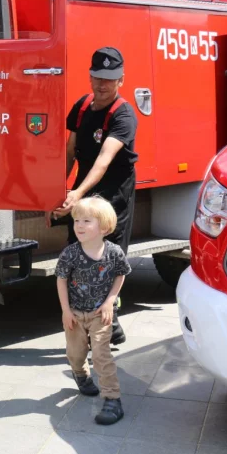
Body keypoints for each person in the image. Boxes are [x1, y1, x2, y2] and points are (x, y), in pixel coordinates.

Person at [52, 46, 137, 346]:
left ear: (121, 81)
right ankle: (109, 328)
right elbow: (70, 150)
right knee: (78, 258)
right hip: (86, 196)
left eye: (109, 79)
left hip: (113, 201)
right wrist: (57, 188)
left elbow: (104, 159)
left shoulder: (124, 115)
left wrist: (77, 192)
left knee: (105, 264)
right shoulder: (82, 106)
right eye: (97, 77)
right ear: (89, 76)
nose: (102, 85)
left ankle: (100, 335)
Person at [55, 196, 130, 425]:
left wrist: (110, 301)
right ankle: (80, 375)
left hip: (100, 315)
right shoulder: (70, 253)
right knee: (76, 354)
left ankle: (112, 399)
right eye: (76, 220)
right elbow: (61, 280)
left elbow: (121, 273)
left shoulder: (114, 252)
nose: (78, 225)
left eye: (86, 221)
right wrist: (66, 311)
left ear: (104, 227)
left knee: (101, 355)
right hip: (75, 314)